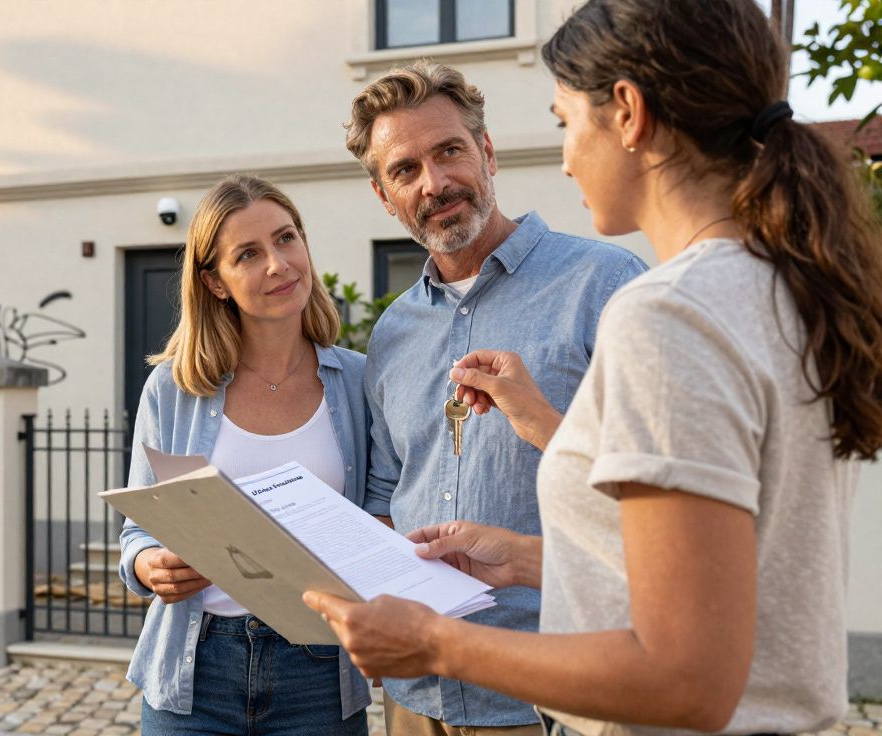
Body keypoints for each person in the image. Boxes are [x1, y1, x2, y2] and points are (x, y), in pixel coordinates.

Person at [305, 0, 882, 733]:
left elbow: (684, 678)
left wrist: (433, 641)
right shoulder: (778, 287)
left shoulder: (660, 311)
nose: (567, 154)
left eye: (563, 121)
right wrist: (521, 559)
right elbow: (720, 574)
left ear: (628, 114)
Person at [344, 60, 647, 735]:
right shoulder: (393, 332)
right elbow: (390, 490)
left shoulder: (606, 284)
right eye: (405, 170)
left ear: (486, 151)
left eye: (449, 150)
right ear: (382, 193)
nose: (435, 182)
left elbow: (653, 485)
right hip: (415, 697)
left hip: (550, 691)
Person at [117, 175, 372, 735]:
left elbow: (384, 515)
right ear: (215, 281)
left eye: (286, 240)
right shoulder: (174, 388)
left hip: (319, 670)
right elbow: (137, 532)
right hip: (196, 668)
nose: (278, 265)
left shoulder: (359, 382)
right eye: (249, 254)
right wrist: (149, 566)